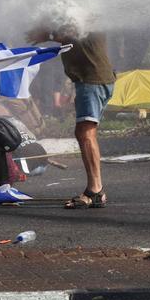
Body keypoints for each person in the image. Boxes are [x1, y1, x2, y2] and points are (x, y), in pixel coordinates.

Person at [28, 24, 115, 209]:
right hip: (92, 78)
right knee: (84, 132)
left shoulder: (87, 11)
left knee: (86, 133)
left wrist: (47, 33)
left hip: (92, 79)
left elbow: (74, 32)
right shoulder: (83, 8)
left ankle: (95, 190)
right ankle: (95, 189)